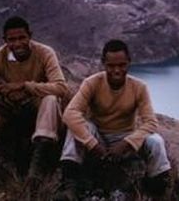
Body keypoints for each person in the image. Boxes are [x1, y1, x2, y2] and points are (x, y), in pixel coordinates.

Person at [0, 16, 69, 197]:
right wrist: (1, 90)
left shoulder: (45, 52)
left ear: (29, 36)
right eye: (12, 39)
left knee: (51, 99)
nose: (17, 43)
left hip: (36, 105)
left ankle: (36, 169)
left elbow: (61, 87)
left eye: (22, 38)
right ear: (5, 41)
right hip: (10, 106)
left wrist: (26, 86)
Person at [53, 39, 172, 200]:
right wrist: (93, 145)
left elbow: (150, 122)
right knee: (78, 128)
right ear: (103, 63)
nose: (116, 70)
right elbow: (70, 114)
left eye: (122, 65)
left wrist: (126, 144)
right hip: (98, 136)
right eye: (111, 66)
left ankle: (157, 189)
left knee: (156, 141)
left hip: (125, 138)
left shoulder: (139, 87)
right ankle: (69, 185)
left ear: (129, 62)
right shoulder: (92, 83)